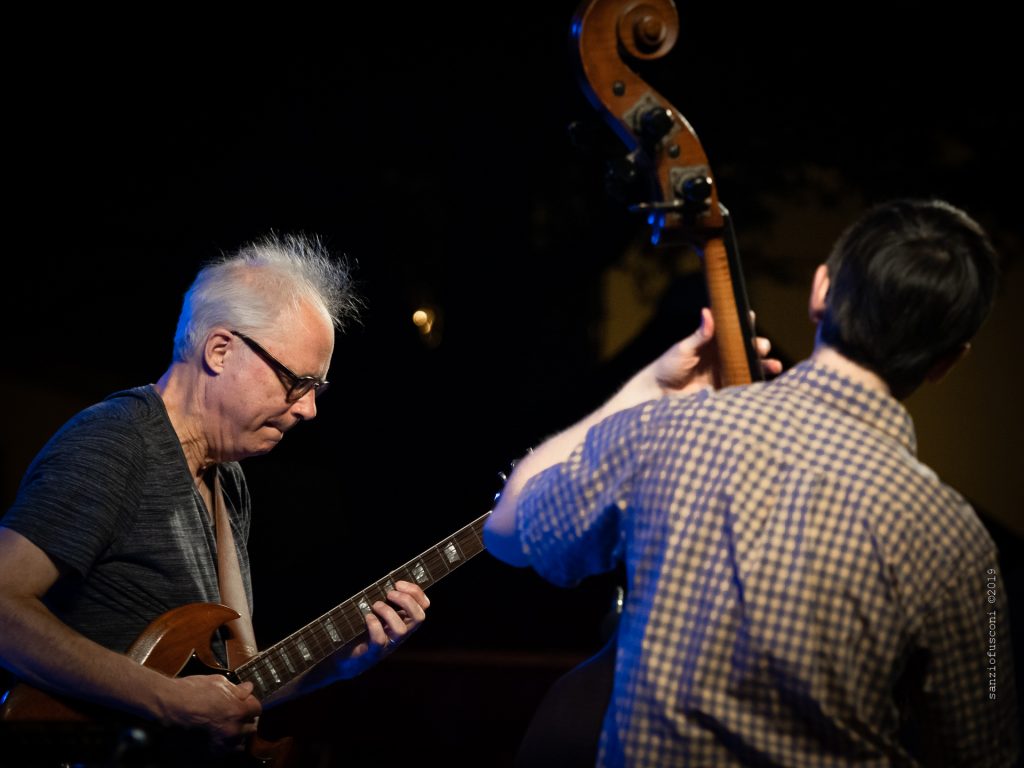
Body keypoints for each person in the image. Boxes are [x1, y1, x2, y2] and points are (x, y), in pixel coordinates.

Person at [484, 199, 1019, 766]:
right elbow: (983, 741)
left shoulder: (662, 434)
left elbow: (506, 528)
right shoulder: (963, 546)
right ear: (949, 360)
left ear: (821, 289)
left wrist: (644, 391)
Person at [0, 234, 430, 757]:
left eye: (319, 388)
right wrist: (164, 700)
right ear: (220, 350)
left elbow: (228, 692)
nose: (309, 410)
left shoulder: (229, 480)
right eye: (298, 382)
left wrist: (339, 664)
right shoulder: (115, 443)